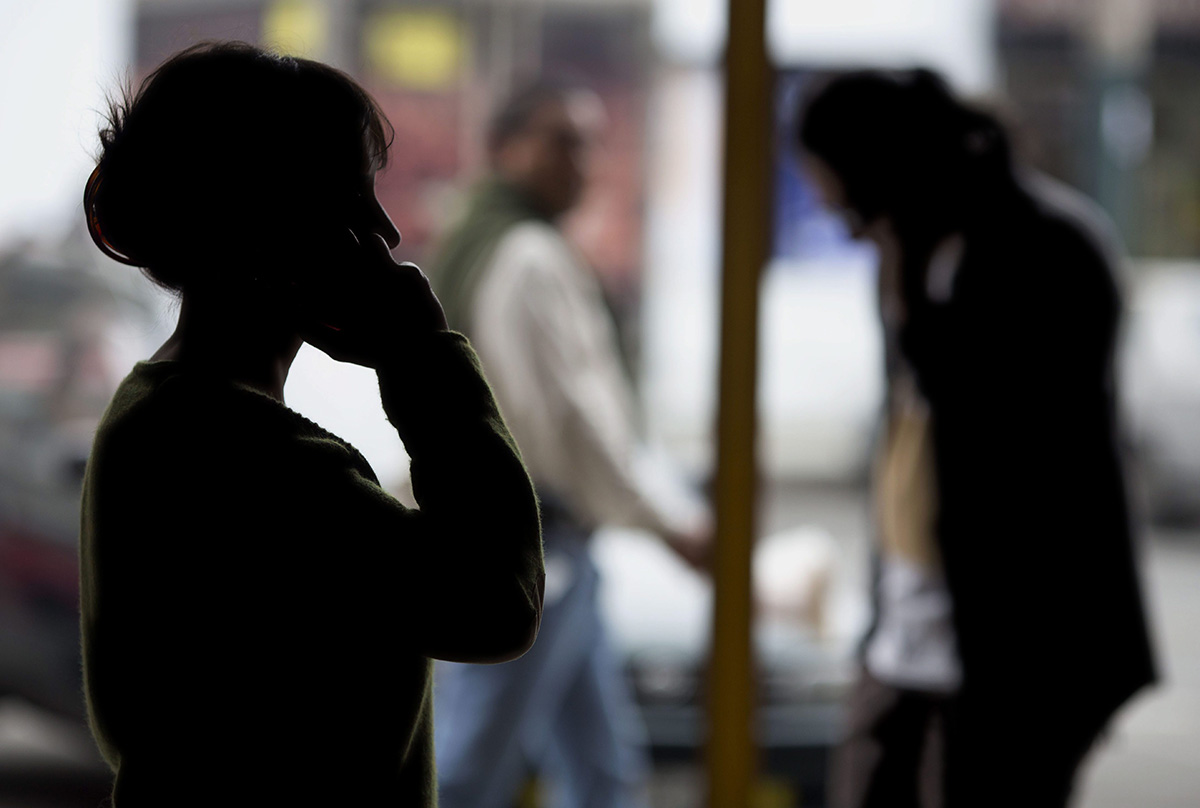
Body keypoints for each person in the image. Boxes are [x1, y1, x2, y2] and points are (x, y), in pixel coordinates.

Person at [78, 42, 545, 807]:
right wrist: (420, 356)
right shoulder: (245, 458)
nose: (385, 234)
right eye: (354, 200)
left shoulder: (157, 415)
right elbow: (497, 600)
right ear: (268, 224)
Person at [795, 69, 1157, 808]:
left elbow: (1020, 447)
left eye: (832, 183)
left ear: (879, 167)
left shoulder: (1047, 247)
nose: (831, 210)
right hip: (905, 636)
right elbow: (908, 442)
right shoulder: (909, 249)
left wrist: (916, 315)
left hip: (1022, 654)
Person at [425, 83, 711, 808]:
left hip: (548, 543)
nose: (583, 162)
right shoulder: (527, 256)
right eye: (563, 141)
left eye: (590, 143)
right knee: (470, 769)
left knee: (601, 768)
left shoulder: (490, 241)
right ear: (505, 148)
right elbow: (572, 424)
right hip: (534, 544)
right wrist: (664, 521)